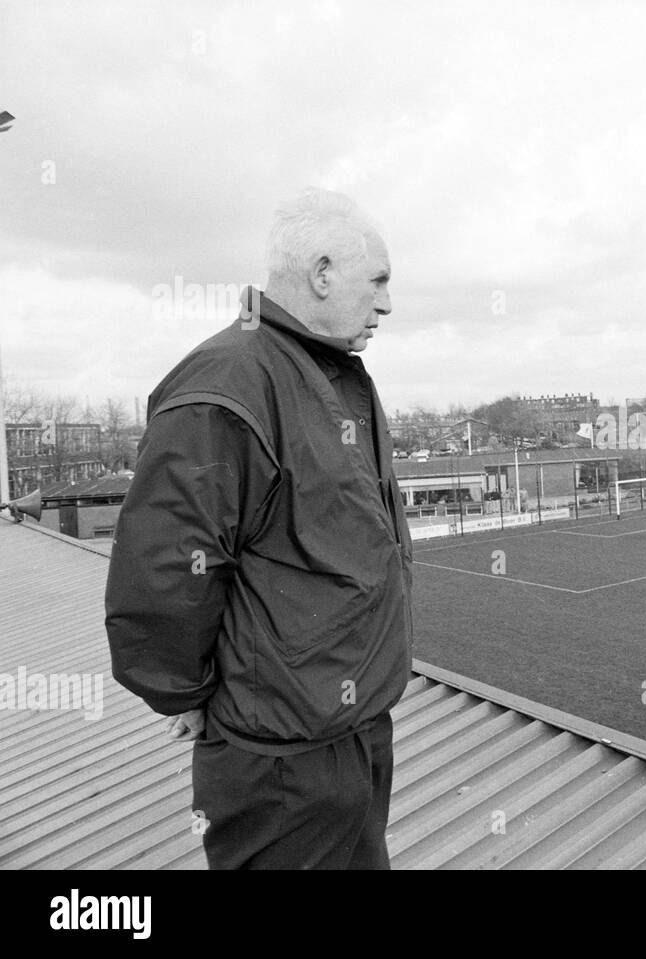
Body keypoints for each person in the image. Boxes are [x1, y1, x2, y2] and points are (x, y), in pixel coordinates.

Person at [105, 187, 413, 869]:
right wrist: (180, 690)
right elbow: (162, 571)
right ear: (323, 272)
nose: (388, 304)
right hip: (282, 768)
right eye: (380, 280)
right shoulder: (230, 381)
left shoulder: (326, 376)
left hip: (349, 741)